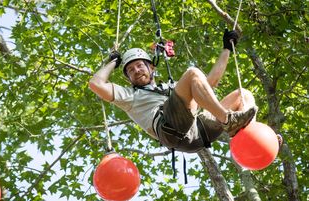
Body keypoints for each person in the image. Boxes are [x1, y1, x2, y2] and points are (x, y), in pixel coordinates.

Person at [89, 30, 258, 153]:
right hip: (169, 130)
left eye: (140, 65)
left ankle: (253, 139)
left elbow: (210, 83)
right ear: (128, 79)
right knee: (192, 73)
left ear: (152, 67)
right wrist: (114, 62)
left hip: (198, 132)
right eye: (131, 70)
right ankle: (228, 120)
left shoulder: (171, 88)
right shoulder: (129, 96)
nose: (137, 70)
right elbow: (96, 84)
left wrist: (227, 48)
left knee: (242, 95)